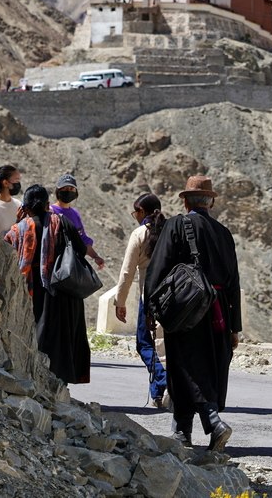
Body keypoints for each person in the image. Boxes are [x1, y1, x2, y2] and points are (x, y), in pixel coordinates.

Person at [143, 175, 242, 452]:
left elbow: (158, 269)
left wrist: (150, 307)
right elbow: (234, 282)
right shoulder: (224, 233)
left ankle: (211, 423)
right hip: (219, 312)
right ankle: (182, 431)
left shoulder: (176, 225)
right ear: (209, 201)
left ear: (185, 201)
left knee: (184, 366)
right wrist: (235, 327)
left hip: (185, 309)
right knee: (208, 368)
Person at [5, 185, 91, 384]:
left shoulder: (18, 229)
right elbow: (80, 249)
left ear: (25, 205)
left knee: (34, 336)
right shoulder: (61, 222)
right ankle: (59, 383)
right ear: (46, 203)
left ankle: (31, 380)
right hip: (63, 291)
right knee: (63, 339)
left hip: (30, 293)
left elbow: (6, 252)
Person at [114, 193, 168, 408]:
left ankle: (164, 379)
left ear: (142, 212)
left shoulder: (139, 234)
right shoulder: (171, 231)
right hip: (173, 296)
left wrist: (120, 301)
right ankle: (157, 394)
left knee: (144, 343)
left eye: (135, 212)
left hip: (150, 298)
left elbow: (127, 272)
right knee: (164, 345)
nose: (134, 216)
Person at [50, 174, 106, 269]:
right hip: (56, 265)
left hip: (73, 265)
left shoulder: (75, 213)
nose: (68, 191)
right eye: (65, 188)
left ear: (76, 193)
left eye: (71, 189)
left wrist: (95, 256)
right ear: (58, 191)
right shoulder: (51, 211)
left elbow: (82, 239)